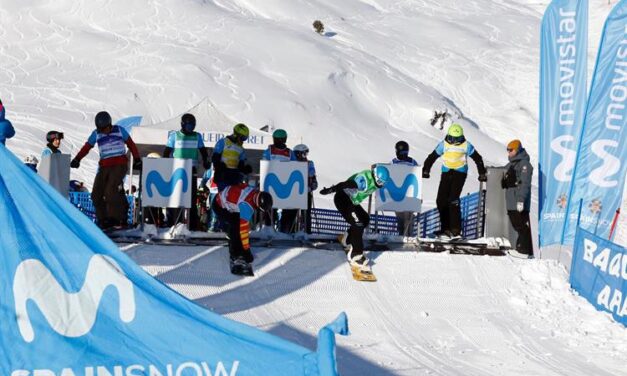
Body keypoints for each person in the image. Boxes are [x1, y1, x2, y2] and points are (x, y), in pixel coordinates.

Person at [71, 111, 141, 230]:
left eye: (105, 128)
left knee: (111, 190)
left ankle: (117, 219)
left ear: (110, 125)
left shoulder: (119, 130)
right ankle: (104, 220)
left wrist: (137, 159)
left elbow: (131, 144)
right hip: (104, 166)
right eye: (101, 129)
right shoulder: (96, 133)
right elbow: (87, 147)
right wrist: (77, 159)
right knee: (96, 194)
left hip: (119, 164)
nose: (103, 131)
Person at [320, 165, 390, 271]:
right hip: (343, 200)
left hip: (351, 201)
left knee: (365, 219)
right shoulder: (364, 180)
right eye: (380, 182)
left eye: (383, 183)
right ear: (375, 176)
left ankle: (347, 239)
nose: (380, 185)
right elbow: (346, 184)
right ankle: (355, 255)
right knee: (358, 224)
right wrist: (331, 189)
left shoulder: (374, 177)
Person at [422, 123, 487, 239]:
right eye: (453, 139)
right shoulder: (444, 144)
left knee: (453, 200)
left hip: (460, 173)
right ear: (448, 136)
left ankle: (456, 230)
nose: (455, 142)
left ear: (462, 137)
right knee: (441, 200)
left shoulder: (466, 145)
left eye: (458, 139)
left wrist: (482, 173)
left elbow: (478, 158)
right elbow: (432, 157)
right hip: (446, 172)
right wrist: (426, 170)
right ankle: (445, 229)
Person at [162, 113, 211, 230]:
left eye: (192, 125)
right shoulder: (174, 136)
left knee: (191, 198)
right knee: (176, 197)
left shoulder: (197, 136)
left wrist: (205, 161)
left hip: (191, 170)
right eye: (189, 125)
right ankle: (173, 223)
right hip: (177, 170)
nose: (191, 128)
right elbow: (166, 152)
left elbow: (203, 151)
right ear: (183, 124)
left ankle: (192, 225)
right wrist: (165, 165)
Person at [213, 183, 273, 275]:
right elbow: (243, 231)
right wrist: (246, 251)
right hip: (219, 206)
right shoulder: (247, 207)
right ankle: (235, 254)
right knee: (235, 227)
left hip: (225, 199)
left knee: (237, 224)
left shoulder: (254, 191)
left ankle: (234, 239)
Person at [501, 140, 534, 258]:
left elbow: (525, 184)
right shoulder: (511, 164)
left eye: (511, 150)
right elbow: (501, 171)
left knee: (521, 226)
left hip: (518, 201)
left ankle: (524, 251)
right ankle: (524, 250)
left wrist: (521, 200)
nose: (509, 152)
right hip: (511, 201)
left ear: (518, 149)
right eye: (508, 150)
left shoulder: (524, 164)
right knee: (517, 225)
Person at [262, 129, 297, 231]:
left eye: (277, 139)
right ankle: (269, 228)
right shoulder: (269, 151)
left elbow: (295, 166)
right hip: (271, 183)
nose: (275, 141)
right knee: (270, 206)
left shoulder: (290, 153)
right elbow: (265, 164)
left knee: (287, 207)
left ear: (283, 139)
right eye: (275, 139)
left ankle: (284, 230)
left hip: (285, 184)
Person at [211, 123, 253, 191]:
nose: (243, 140)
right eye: (242, 138)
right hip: (222, 175)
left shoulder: (241, 148)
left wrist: (245, 169)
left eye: (245, 138)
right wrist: (218, 166)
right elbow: (215, 158)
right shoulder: (223, 142)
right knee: (223, 197)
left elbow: (240, 165)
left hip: (234, 177)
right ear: (236, 135)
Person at [391, 141, 420, 236]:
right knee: (400, 218)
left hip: (410, 194)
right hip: (397, 195)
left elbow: (418, 176)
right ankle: (401, 235)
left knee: (408, 218)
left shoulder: (412, 162)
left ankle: (408, 236)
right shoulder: (393, 162)